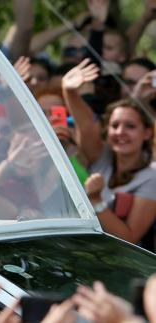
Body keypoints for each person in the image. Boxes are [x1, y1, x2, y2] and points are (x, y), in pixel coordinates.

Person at [62, 59, 156, 252]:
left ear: (147, 132)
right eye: (115, 125)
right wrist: (69, 91)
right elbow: (85, 123)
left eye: (130, 126)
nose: (120, 132)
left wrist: (96, 200)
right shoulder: (102, 155)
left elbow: (129, 238)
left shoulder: (151, 178)